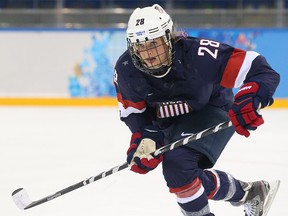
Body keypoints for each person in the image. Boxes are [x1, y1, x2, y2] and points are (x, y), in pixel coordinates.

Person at [113, 4, 280, 216]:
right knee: (184, 176)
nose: (148, 53)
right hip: (171, 121)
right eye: (140, 46)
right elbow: (134, 113)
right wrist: (145, 136)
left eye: (154, 43)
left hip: (212, 108)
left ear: (168, 38)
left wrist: (251, 96)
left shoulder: (198, 55)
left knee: (177, 166)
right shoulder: (127, 69)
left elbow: (259, 69)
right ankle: (249, 193)